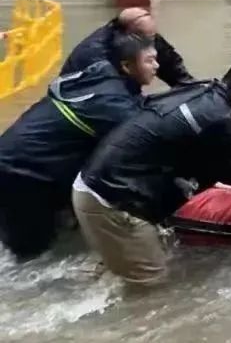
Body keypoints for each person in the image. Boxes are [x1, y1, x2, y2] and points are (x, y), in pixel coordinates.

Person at [72, 54, 231, 287]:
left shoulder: (204, 93)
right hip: (110, 199)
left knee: (119, 273)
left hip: (96, 185)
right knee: (151, 289)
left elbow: (198, 151)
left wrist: (215, 179)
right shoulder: (219, 118)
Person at [0, 33, 158, 261]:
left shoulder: (98, 74)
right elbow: (145, 150)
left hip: (14, 156)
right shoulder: (114, 105)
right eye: (149, 61)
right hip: (22, 173)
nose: (156, 66)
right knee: (32, 257)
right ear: (126, 66)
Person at [62, 7, 192, 87]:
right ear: (130, 34)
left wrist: (189, 87)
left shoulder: (144, 37)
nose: (156, 65)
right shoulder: (97, 56)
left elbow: (168, 61)